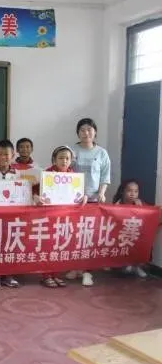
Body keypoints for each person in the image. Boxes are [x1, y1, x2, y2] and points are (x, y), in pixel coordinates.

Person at [35, 146, 88, 288]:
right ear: (54, 159)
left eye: (67, 158)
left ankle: (56, 274)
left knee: (60, 245)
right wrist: (36, 197)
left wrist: (84, 197)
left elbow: (79, 193)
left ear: (71, 160)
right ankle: (46, 275)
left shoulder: (73, 176)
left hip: (65, 217)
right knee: (48, 245)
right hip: (48, 216)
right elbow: (34, 190)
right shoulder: (47, 174)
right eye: (61, 158)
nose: (64, 161)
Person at [67, 118, 111, 287]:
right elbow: (65, 172)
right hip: (74, 201)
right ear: (78, 133)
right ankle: (75, 267)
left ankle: (87, 272)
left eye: (89, 129)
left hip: (93, 201)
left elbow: (105, 176)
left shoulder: (101, 153)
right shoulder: (72, 151)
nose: (86, 133)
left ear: (95, 132)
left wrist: (101, 193)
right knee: (73, 235)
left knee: (89, 236)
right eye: (82, 130)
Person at [0, 140, 20, 289]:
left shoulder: (17, 173)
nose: (3, 157)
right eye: (0, 154)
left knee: (11, 243)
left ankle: (9, 274)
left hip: (12, 215)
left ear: (12, 155)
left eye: (6, 154)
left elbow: (22, 192)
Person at [113, 179, 147, 278]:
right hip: (121, 234)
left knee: (141, 242)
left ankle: (137, 266)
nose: (133, 194)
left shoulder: (140, 203)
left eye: (136, 191)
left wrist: (141, 208)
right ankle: (125, 265)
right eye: (129, 191)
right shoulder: (117, 204)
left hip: (134, 233)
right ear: (122, 191)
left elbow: (149, 215)